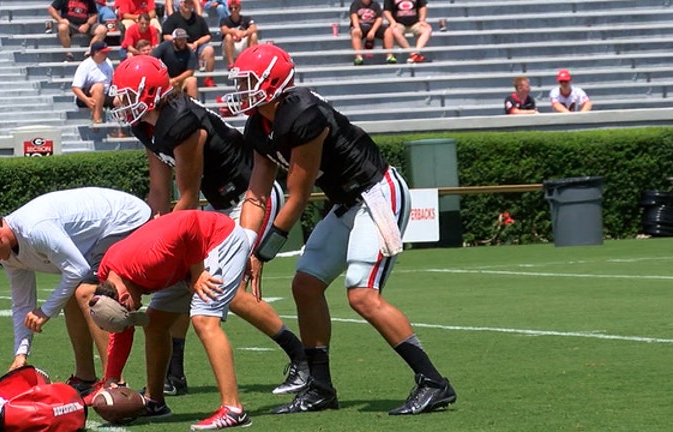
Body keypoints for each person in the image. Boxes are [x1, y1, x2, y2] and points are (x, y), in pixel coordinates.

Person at [223, 43, 456, 415]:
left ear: (272, 82)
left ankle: (433, 382)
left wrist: (262, 254)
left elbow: (297, 197)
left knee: (362, 294)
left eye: (248, 82)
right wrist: (245, 245)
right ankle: (320, 388)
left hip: (377, 194)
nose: (240, 91)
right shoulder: (258, 125)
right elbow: (256, 196)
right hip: (346, 202)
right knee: (305, 284)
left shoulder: (303, 115)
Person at [106, 54, 309, 398]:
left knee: (221, 290)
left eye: (128, 97)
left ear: (151, 92)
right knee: (183, 282)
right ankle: (174, 374)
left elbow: (187, 195)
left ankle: (302, 359)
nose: (121, 105)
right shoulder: (146, 123)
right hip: (218, 208)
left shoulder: (180, 122)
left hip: (250, 197)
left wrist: (162, 241)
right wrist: (150, 231)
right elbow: (159, 191)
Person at [0, 187, 151, 396]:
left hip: (126, 218)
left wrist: (46, 311)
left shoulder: (34, 229)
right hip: (99, 235)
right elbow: (22, 304)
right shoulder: (8, 255)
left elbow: (78, 270)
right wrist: (21, 354)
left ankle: (114, 384)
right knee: (69, 295)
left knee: (86, 293)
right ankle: (85, 378)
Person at [89, 210, 253, 429]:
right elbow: (122, 330)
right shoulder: (108, 278)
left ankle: (233, 409)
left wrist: (196, 273)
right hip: (185, 259)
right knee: (155, 324)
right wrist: (111, 378)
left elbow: (190, 222)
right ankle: (155, 401)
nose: (136, 308)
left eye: (130, 308)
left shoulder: (148, 260)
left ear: (124, 297)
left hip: (219, 239)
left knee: (203, 319)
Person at [161, 0, 216, 87]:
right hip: (179, 49)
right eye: (185, 3)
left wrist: (197, 43)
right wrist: (182, 43)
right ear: (180, 4)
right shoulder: (173, 18)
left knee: (209, 50)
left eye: (190, 3)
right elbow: (166, 36)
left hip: (196, 47)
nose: (187, 5)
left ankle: (208, 78)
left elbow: (208, 36)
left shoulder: (198, 19)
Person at [72, 41, 115, 124]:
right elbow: (75, 88)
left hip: (105, 93)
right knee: (99, 87)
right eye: (104, 52)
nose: (106, 54)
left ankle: (121, 129)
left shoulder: (108, 63)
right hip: (86, 96)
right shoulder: (85, 65)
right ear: (96, 53)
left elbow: (112, 80)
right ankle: (97, 119)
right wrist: (86, 100)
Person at [151, 28, 198, 98]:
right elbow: (153, 58)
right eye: (180, 39)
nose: (182, 42)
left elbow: (190, 71)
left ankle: (193, 106)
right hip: (164, 78)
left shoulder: (189, 52)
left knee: (192, 81)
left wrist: (174, 80)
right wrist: (163, 75)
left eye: (184, 39)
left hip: (181, 79)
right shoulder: (165, 46)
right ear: (174, 40)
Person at [349, 0, 396, 65]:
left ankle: (390, 56)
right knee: (355, 32)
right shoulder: (356, 3)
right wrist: (357, 27)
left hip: (373, 25)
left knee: (388, 31)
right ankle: (358, 57)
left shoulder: (375, 4)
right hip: (361, 25)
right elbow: (354, 16)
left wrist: (373, 31)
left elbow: (379, 19)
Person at [219, 0, 258, 70]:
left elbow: (254, 28)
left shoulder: (247, 19)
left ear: (239, 8)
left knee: (254, 35)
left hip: (243, 44)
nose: (233, 10)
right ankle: (231, 64)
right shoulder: (224, 20)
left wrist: (244, 33)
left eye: (235, 8)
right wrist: (235, 32)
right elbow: (223, 30)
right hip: (231, 46)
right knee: (227, 36)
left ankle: (251, 62)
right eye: (231, 8)